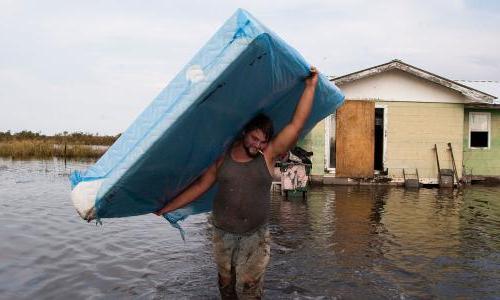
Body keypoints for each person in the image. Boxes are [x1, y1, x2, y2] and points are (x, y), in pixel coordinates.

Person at [155, 67, 319, 299]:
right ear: (244, 133)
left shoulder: (268, 155)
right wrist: (167, 208)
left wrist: (310, 86)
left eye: (263, 141)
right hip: (223, 233)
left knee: (250, 286)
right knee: (226, 283)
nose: (258, 145)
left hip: (256, 235)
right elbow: (200, 186)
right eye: (254, 138)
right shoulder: (223, 158)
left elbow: (296, 125)